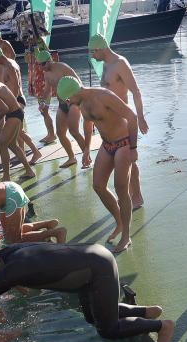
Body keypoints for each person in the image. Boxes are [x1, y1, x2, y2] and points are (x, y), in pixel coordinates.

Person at [0, 242, 175, 342]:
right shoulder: (6, 254)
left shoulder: (14, 271)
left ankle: (162, 326)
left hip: (97, 268)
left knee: (107, 329)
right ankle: (143, 312)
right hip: (88, 258)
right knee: (92, 316)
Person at [57, 77, 139, 253]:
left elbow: (131, 116)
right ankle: (119, 222)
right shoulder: (81, 104)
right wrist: (86, 148)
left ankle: (126, 236)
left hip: (123, 143)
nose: (68, 102)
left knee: (121, 189)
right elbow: (88, 123)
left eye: (68, 99)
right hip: (106, 144)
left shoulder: (103, 96)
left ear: (75, 92)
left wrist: (133, 148)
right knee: (98, 186)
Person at [89, 34, 148, 205]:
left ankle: (137, 196)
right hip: (110, 124)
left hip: (123, 121)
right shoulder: (106, 65)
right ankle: (134, 195)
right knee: (123, 160)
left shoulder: (120, 64)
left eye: (93, 52)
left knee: (129, 157)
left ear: (101, 48)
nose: (92, 56)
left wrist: (141, 117)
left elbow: (135, 91)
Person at [39, 51, 90, 168]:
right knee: (60, 133)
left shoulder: (63, 68)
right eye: (39, 65)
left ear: (49, 60)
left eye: (42, 64)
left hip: (74, 104)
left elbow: (79, 84)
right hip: (62, 104)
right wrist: (43, 103)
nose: (41, 67)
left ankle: (87, 158)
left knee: (74, 132)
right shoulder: (46, 73)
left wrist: (80, 101)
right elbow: (47, 90)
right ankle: (72, 158)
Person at [28, 48, 57, 145]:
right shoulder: (31, 50)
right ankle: (50, 134)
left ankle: (52, 134)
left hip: (43, 85)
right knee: (43, 112)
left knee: (45, 111)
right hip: (39, 84)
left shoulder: (39, 48)